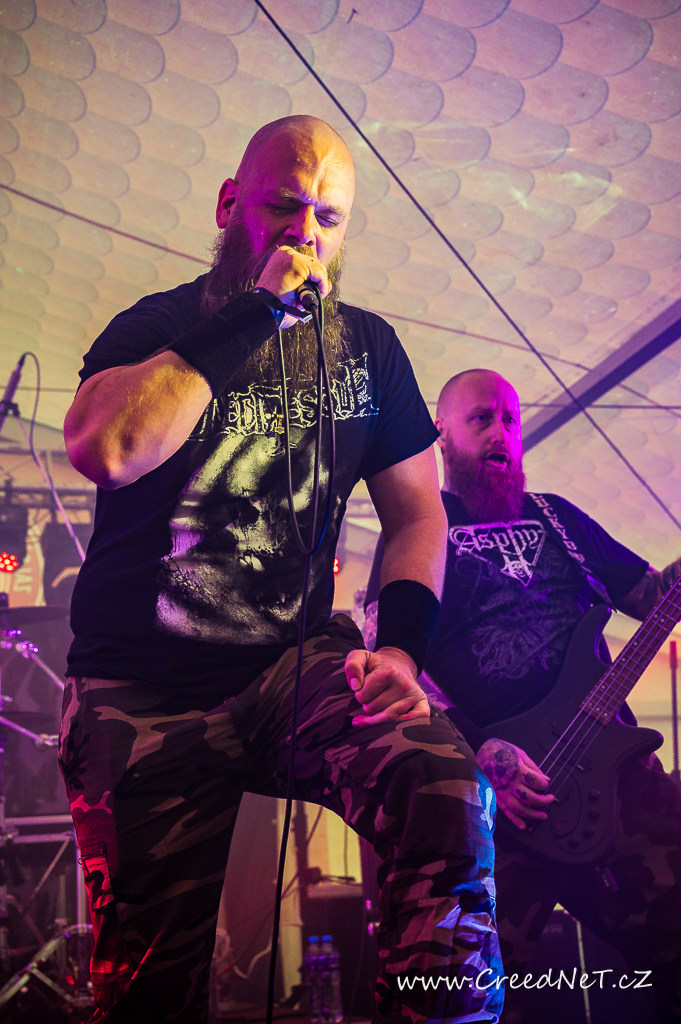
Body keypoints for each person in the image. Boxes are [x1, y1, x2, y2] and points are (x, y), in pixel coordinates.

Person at [60, 117, 503, 1024]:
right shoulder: (160, 325)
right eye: (282, 207)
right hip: (142, 687)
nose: (304, 233)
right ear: (231, 206)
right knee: (148, 989)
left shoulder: (367, 350)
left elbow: (418, 514)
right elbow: (106, 448)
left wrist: (403, 651)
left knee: (445, 788)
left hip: (292, 670)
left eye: (326, 218)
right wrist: (256, 311)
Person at [365, 368, 681, 1023]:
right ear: (441, 433)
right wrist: (486, 756)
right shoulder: (420, 531)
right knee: (451, 996)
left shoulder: (560, 519)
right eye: (481, 418)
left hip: (614, 774)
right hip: (493, 806)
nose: (500, 432)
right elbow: (395, 673)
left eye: (509, 418)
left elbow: (653, 596)